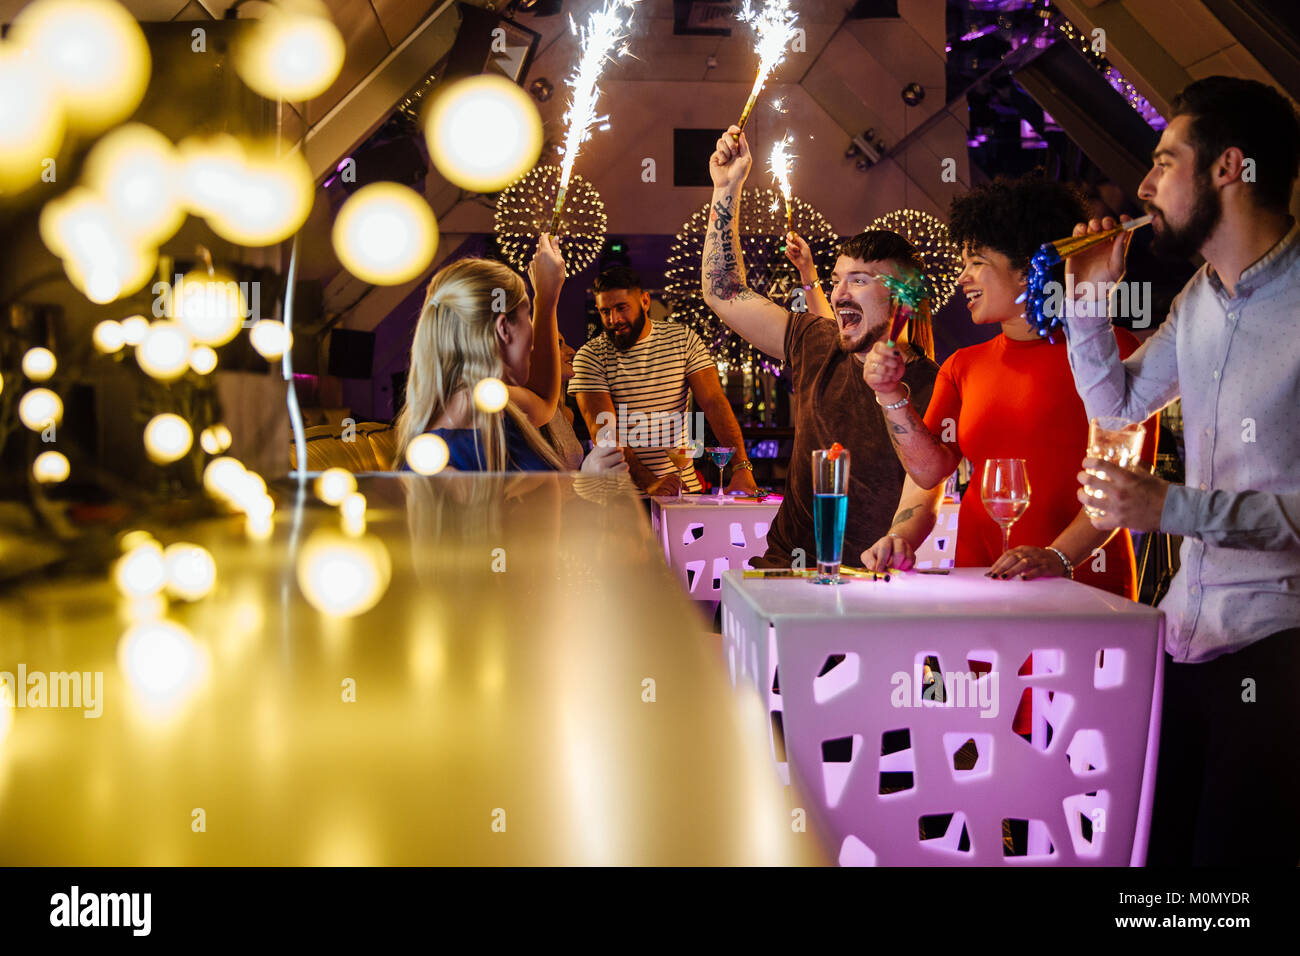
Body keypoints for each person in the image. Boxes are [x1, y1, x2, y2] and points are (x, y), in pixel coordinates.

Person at [1064, 75, 1300, 866]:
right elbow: (1118, 401)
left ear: (1229, 168)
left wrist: (1178, 510)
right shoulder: (1198, 296)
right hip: (1182, 645)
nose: (1142, 184)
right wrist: (1091, 299)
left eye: (1165, 161)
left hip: (1278, 655)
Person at [859, 174, 1157, 602]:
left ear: (1026, 270)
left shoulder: (1114, 352)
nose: (962, 278)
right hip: (982, 584)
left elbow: (1125, 485)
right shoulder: (963, 365)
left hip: (1083, 589)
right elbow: (926, 478)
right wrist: (900, 536)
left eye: (976, 261)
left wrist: (1058, 557)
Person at [701, 125, 940, 568]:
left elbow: (924, 491)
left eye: (860, 281)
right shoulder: (817, 341)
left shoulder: (934, 384)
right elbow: (724, 292)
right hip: (781, 571)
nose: (839, 294)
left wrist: (899, 539)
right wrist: (727, 189)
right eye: (836, 281)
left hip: (867, 586)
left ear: (903, 295)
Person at [392, 235, 626, 475]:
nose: (533, 337)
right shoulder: (459, 438)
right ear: (504, 329)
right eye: (527, 317)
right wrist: (588, 478)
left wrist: (546, 298)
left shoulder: (478, 400)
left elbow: (542, 402)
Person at [569, 265, 758, 496]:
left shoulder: (683, 339)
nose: (613, 319)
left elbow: (714, 402)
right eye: (604, 311)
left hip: (683, 490)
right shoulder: (590, 356)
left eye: (621, 308)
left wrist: (741, 467)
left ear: (645, 302)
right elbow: (604, 432)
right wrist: (649, 484)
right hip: (623, 499)